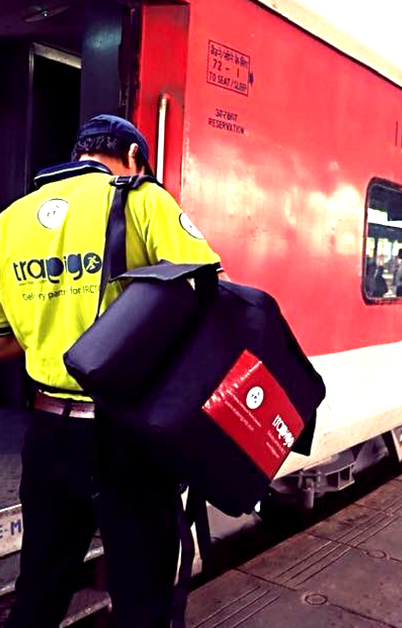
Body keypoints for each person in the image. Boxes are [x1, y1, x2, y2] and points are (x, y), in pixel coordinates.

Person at [0, 114, 222, 628]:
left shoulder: (12, 219)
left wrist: (50, 328)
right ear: (134, 157)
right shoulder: (141, 198)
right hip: (126, 437)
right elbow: (211, 294)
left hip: (48, 434)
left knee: (39, 588)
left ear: (80, 154)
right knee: (143, 598)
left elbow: (3, 338)